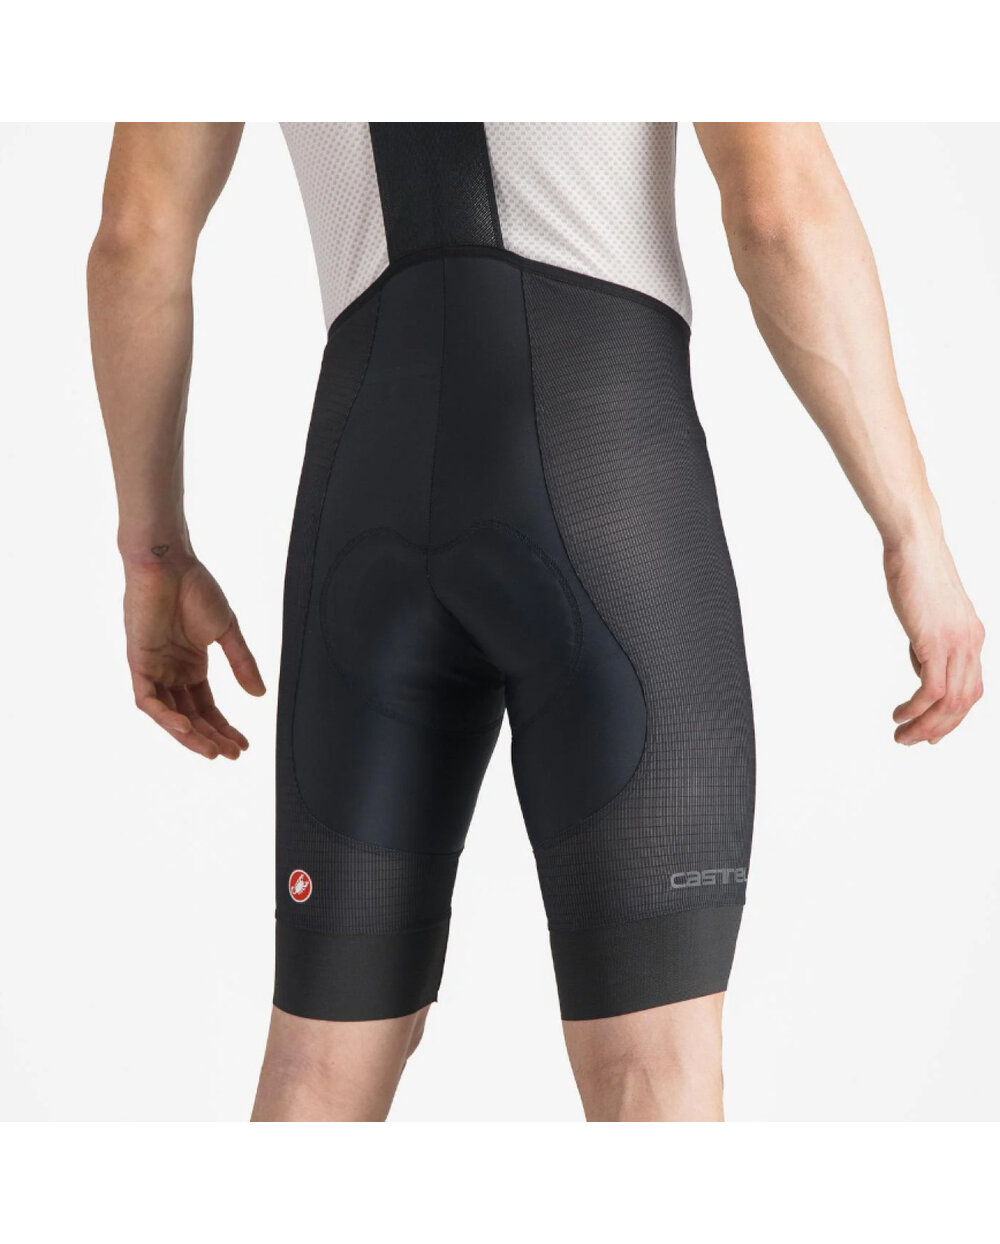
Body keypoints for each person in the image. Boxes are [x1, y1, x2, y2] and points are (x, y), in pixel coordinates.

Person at [88, 123, 984, 1122]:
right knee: (651, 1062)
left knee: (317, 1066)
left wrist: (153, 553)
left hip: (364, 493)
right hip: (600, 471)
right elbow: (780, 212)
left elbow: (135, 237)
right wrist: (912, 531)